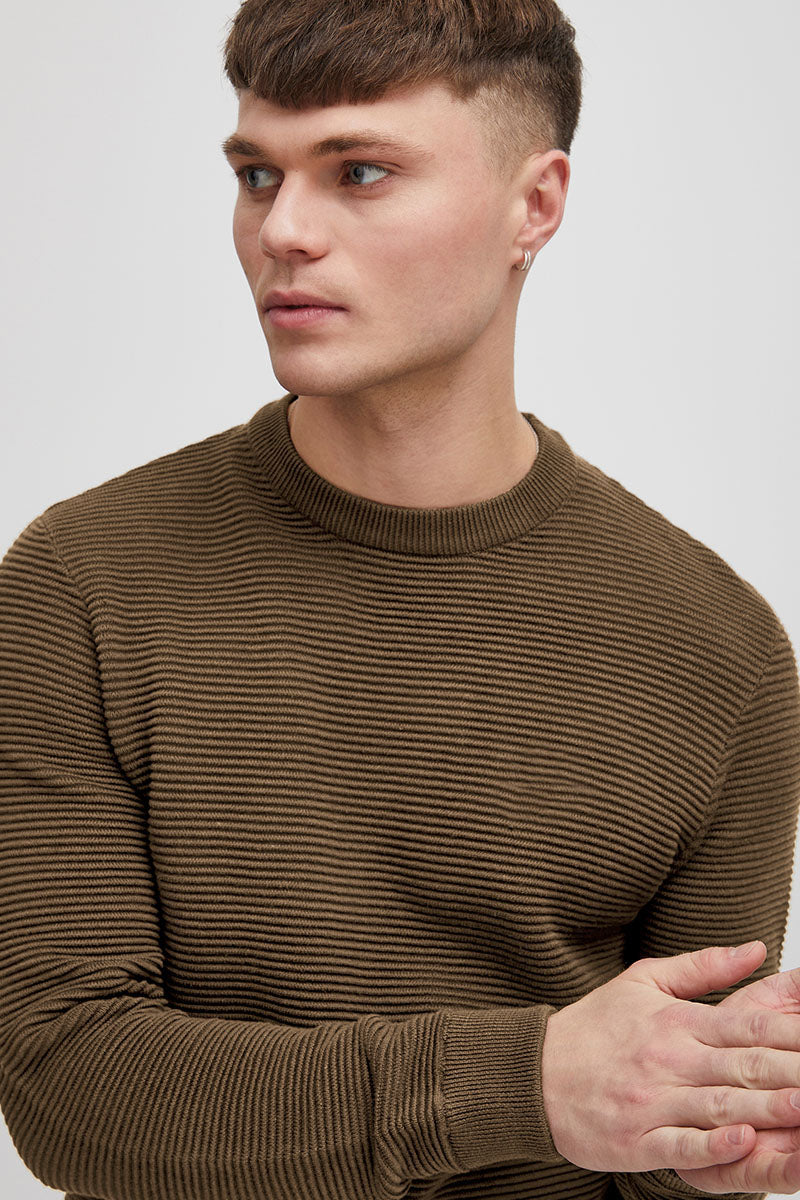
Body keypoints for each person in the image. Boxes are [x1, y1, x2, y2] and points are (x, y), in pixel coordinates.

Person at [0, 1, 798, 1198]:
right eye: (256, 174)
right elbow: (67, 1091)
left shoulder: (719, 652)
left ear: (534, 205)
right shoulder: (81, 585)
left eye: (358, 172)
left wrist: (722, 1144)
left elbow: (664, 1131)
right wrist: (525, 1084)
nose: (283, 231)